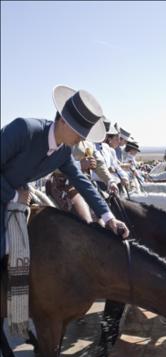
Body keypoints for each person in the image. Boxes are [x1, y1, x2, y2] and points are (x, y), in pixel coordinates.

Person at [0, 85, 129, 260]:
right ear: (64, 121)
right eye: (80, 131)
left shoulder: (64, 152)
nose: (83, 138)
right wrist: (14, 196)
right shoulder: (24, 129)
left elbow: (82, 182)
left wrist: (109, 218)